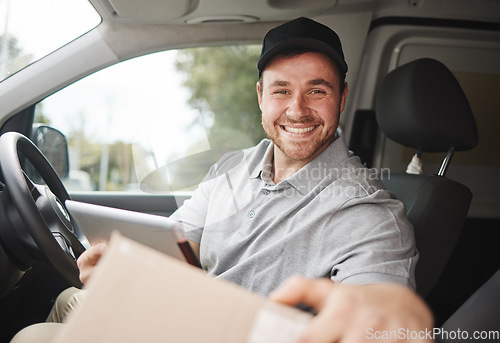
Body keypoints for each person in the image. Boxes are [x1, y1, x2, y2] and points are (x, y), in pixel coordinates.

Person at [11, 17, 433, 342]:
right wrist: (119, 265)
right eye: (282, 90)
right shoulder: (234, 166)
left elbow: (378, 310)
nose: (298, 109)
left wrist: (386, 314)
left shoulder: (371, 214)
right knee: (72, 298)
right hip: (182, 320)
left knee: (33, 337)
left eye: (317, 91)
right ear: (261, 97)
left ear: (341, 97)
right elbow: (180, 244)